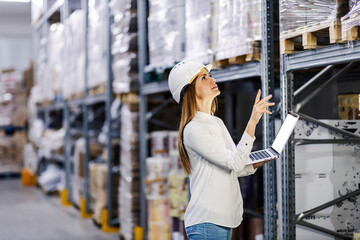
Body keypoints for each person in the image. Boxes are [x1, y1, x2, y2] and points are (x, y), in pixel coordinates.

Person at [168, 61, 275, 240]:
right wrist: (253, 121)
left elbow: (236, 166)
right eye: (204, 77)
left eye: (209, 75)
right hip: (206, 222)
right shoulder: (194, 129)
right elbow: (234, 161)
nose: (212, 79)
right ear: (190, 90)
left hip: (221, 221)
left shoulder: (216, 122)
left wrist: (264, 157)